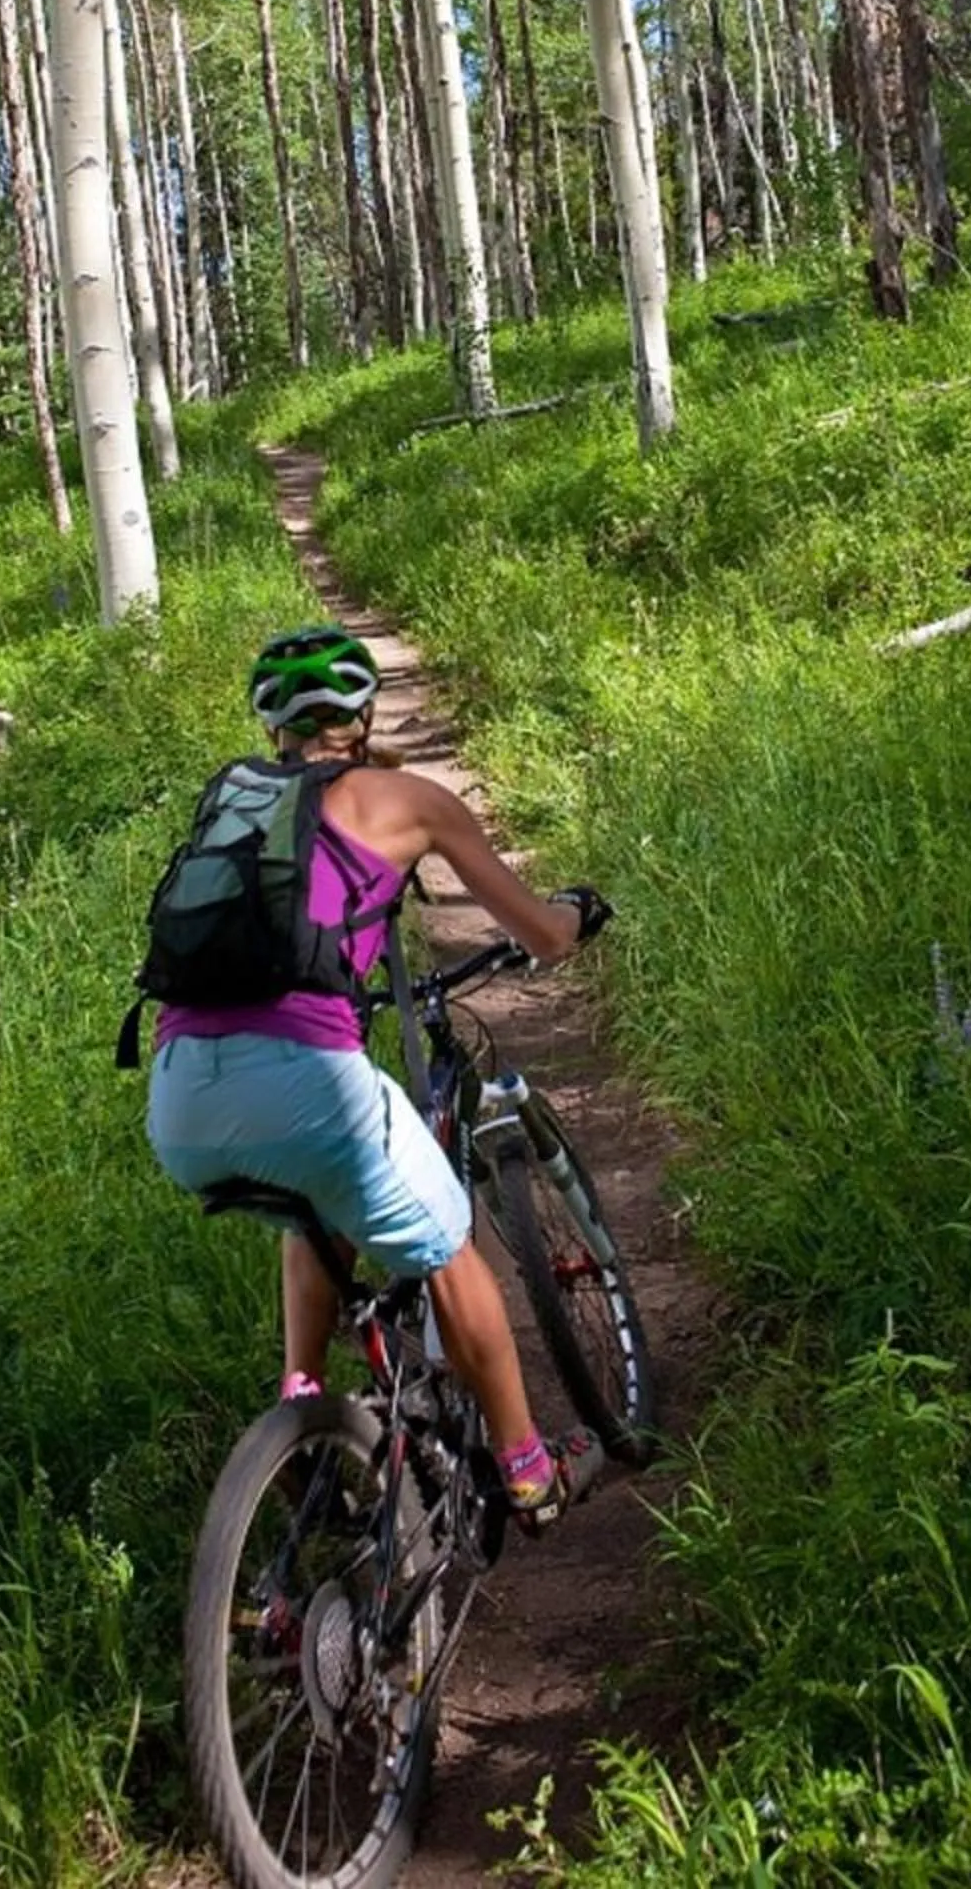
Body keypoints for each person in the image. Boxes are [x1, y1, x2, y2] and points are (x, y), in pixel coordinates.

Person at [146, 623, 604, 1526]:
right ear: (362, 717)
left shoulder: (233, 803)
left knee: (315, 1205)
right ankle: (527, 1472)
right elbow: (539, 936)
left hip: (180, 1095)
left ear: (273, 728)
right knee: (448, 1251)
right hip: (305, 1082)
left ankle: (305, 1417)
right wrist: (575, 919)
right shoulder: (411, 799)